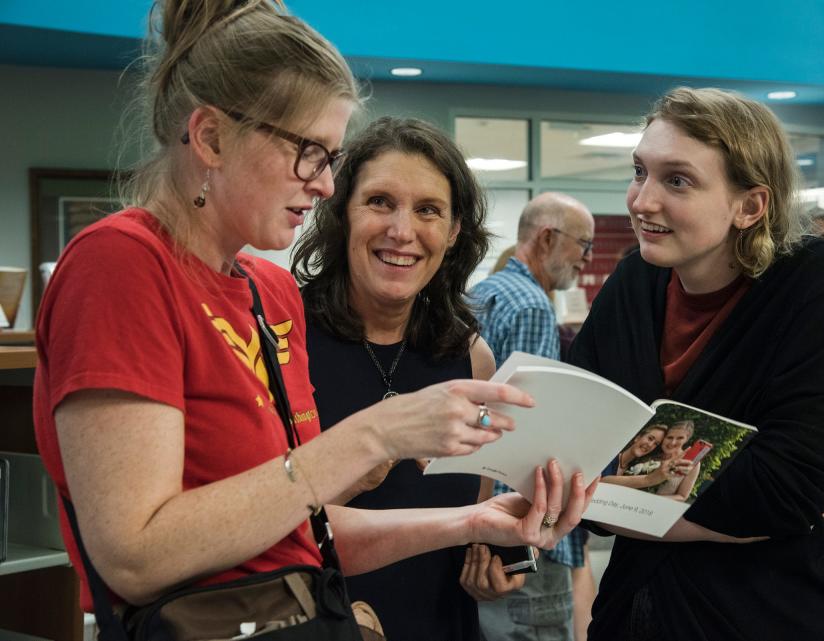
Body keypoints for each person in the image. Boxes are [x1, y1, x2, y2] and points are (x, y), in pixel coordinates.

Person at [31, 0, 594, 632]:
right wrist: (376, 434)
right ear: (212, 137)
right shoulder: (123, 263)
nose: (325, 184)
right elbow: (134, 557)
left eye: (330, 157)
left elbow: (297, 536)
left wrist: (472, 523)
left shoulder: (268, 292)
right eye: (310, 152)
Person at [568, 87, 824, 641]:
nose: (641, 201)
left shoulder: (812, 282)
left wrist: (627, 483)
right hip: (631, 616)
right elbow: (575, 456)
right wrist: (717, 509)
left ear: (750, 205)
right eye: (640, 171)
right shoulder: (634, 283)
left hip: (772, 618)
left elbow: (791, 490)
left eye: (677, 180)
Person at [292, 116, 524, 641]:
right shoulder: (284, 345)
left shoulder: (471, 358)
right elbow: (253, 526)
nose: (403, 231)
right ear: (342, 214)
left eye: (428, 210)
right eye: (379, 202)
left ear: (454, 230)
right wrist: (359, 461)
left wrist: (488, 570)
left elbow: (471, 518)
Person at [469, 192, 595, 641]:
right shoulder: (532, 306)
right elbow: (524, 435)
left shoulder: (485, 290)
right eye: (583, 244)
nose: (586, 258)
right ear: (547, 238)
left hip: (478, 514)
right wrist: (524, 543)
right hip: (519, 536)